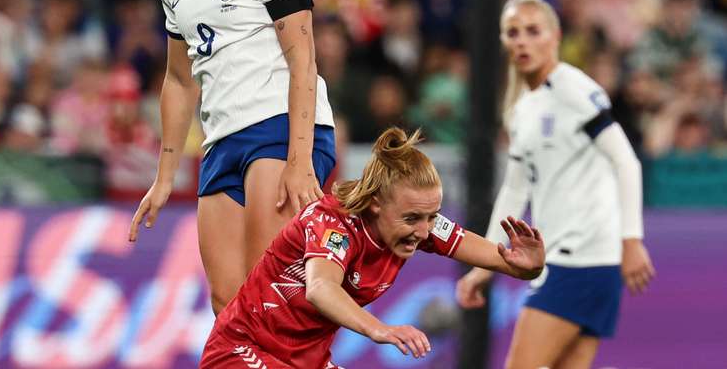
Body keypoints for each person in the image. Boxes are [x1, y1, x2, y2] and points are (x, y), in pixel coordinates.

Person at [128, 0, 343, 315]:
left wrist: (298, 161)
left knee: (270, 294)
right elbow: (180, 80)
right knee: (228, 304)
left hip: (279, 127)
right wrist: (163, 178)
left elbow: (304, 61)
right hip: (222, 141)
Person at [200, 126, 546, 368]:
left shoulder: (417, 220)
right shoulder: (332, 223)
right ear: (377, 203)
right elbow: (321, 289)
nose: (424, 231)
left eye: (432, 217)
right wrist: (380, 329)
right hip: (243, 350)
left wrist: (524, 265)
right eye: (413, 219)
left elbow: (498, 258)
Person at [456, 0, 656, 369]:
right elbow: (514, 190)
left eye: (533, 31)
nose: (522, 41)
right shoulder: (522, 110)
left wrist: (632, 240)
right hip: (578, 263)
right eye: (513, 33)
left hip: (581, 259)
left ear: (556, 35)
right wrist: (484, 263)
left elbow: (627, 162)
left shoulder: (575, 90)